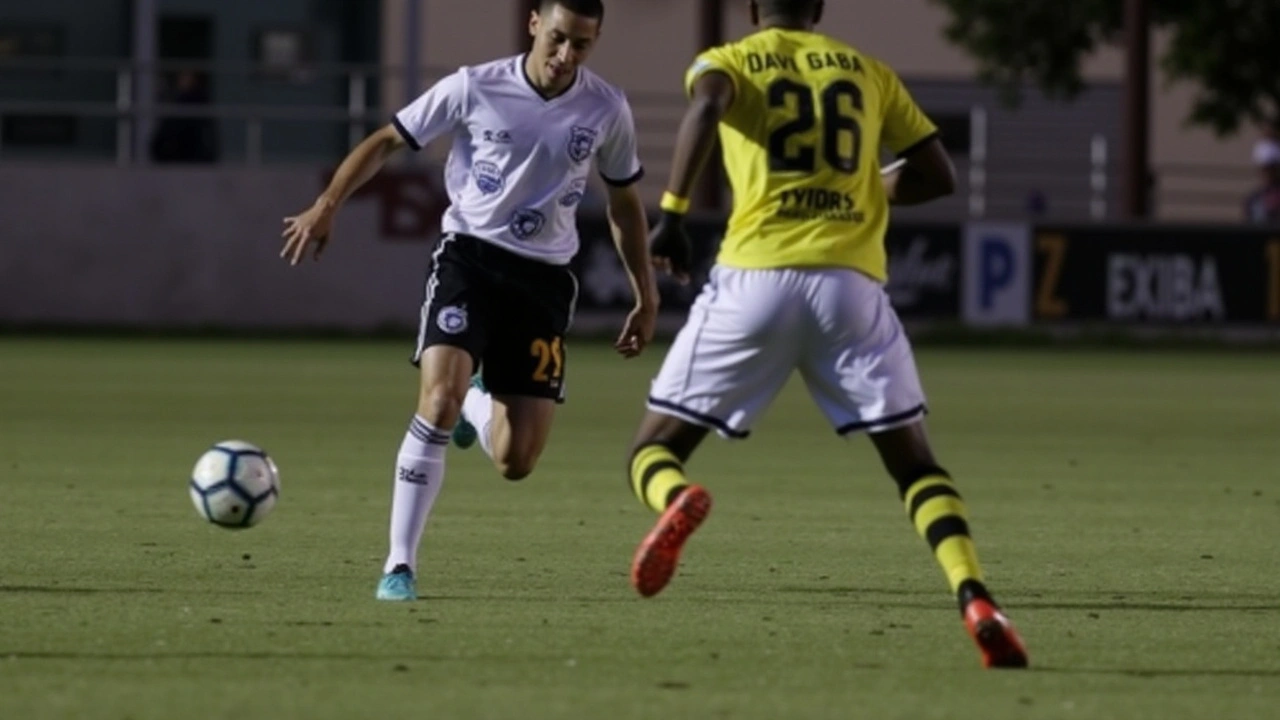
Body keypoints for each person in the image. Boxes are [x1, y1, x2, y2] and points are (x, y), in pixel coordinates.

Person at [623, 0, 1028, 668]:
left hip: (755, 279)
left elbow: (705, 107)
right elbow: (937, 175)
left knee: (652, 450)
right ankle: (975, 595)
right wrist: (871, 186)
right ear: (817, 7)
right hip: (849, 286)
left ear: (754, 7)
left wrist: (672, 211)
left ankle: (678, 497)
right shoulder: (869, 72)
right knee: (916, 467)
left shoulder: (728, 60)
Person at [280, 0, 659, 602]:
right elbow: (386, 139)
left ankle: (478, 405)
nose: (566, 56)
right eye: (558, 38)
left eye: (582, 45)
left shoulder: (606, 107)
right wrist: (328, 204)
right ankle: (398, 565)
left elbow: (623, 203)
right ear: (534, 23)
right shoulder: (473, 86)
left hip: (544, 283)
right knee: (437, 399)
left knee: (517, 461)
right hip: (469, 261)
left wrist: (646, 291)